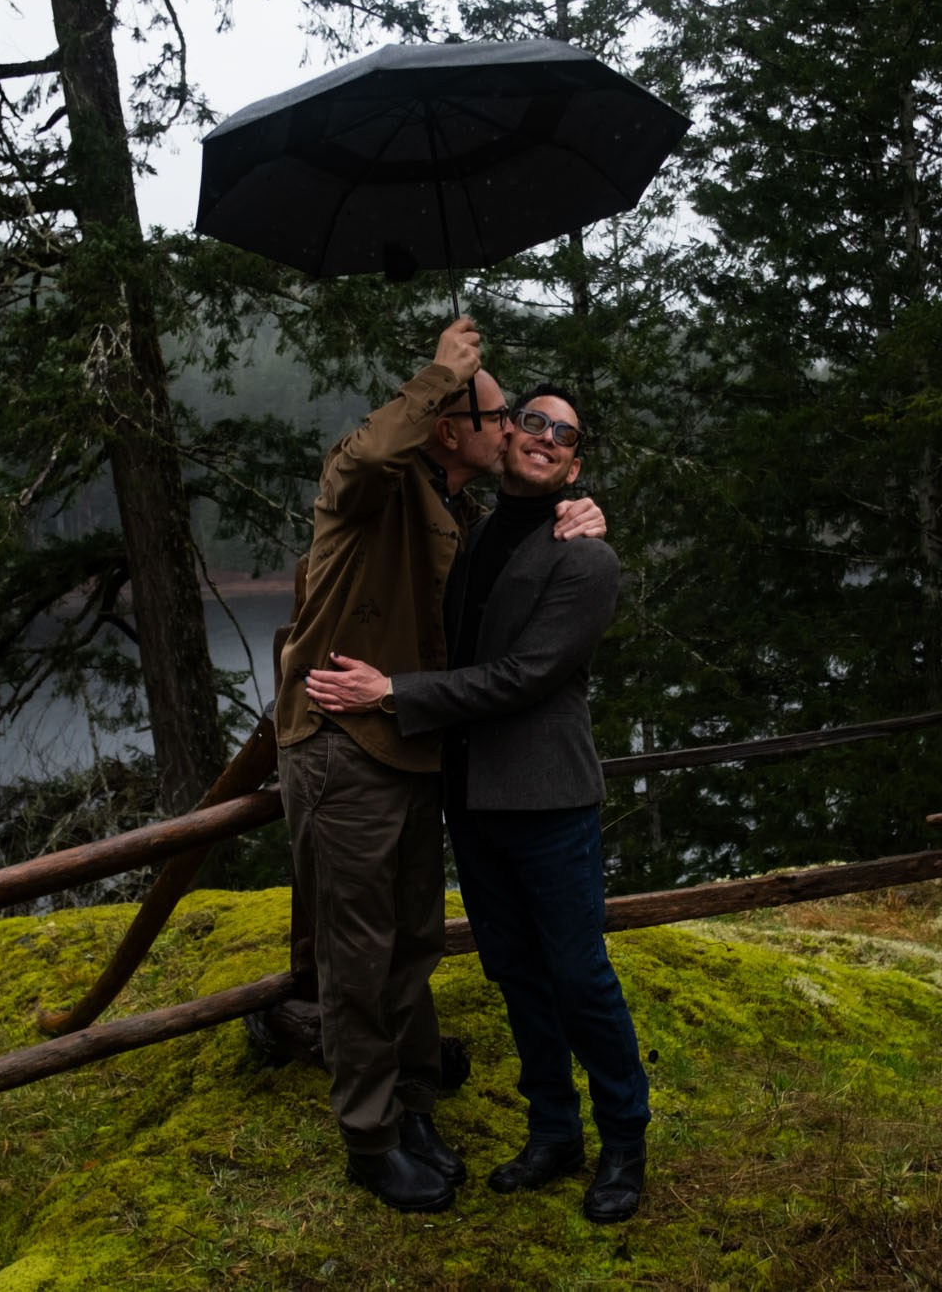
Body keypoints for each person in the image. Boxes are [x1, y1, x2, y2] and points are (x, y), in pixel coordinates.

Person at [274, 319, 604, 1215]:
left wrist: (584, 513)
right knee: (358, 951)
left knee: (412, 940)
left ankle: (413, 1098)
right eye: (502, 417)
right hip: (345, 748)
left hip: (412, 749)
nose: (517, 432)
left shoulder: (458, 508)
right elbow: (357, 461)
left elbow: (524, 584)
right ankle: (369, 1137)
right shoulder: (377, 488)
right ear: (450, 427)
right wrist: (437, 376)